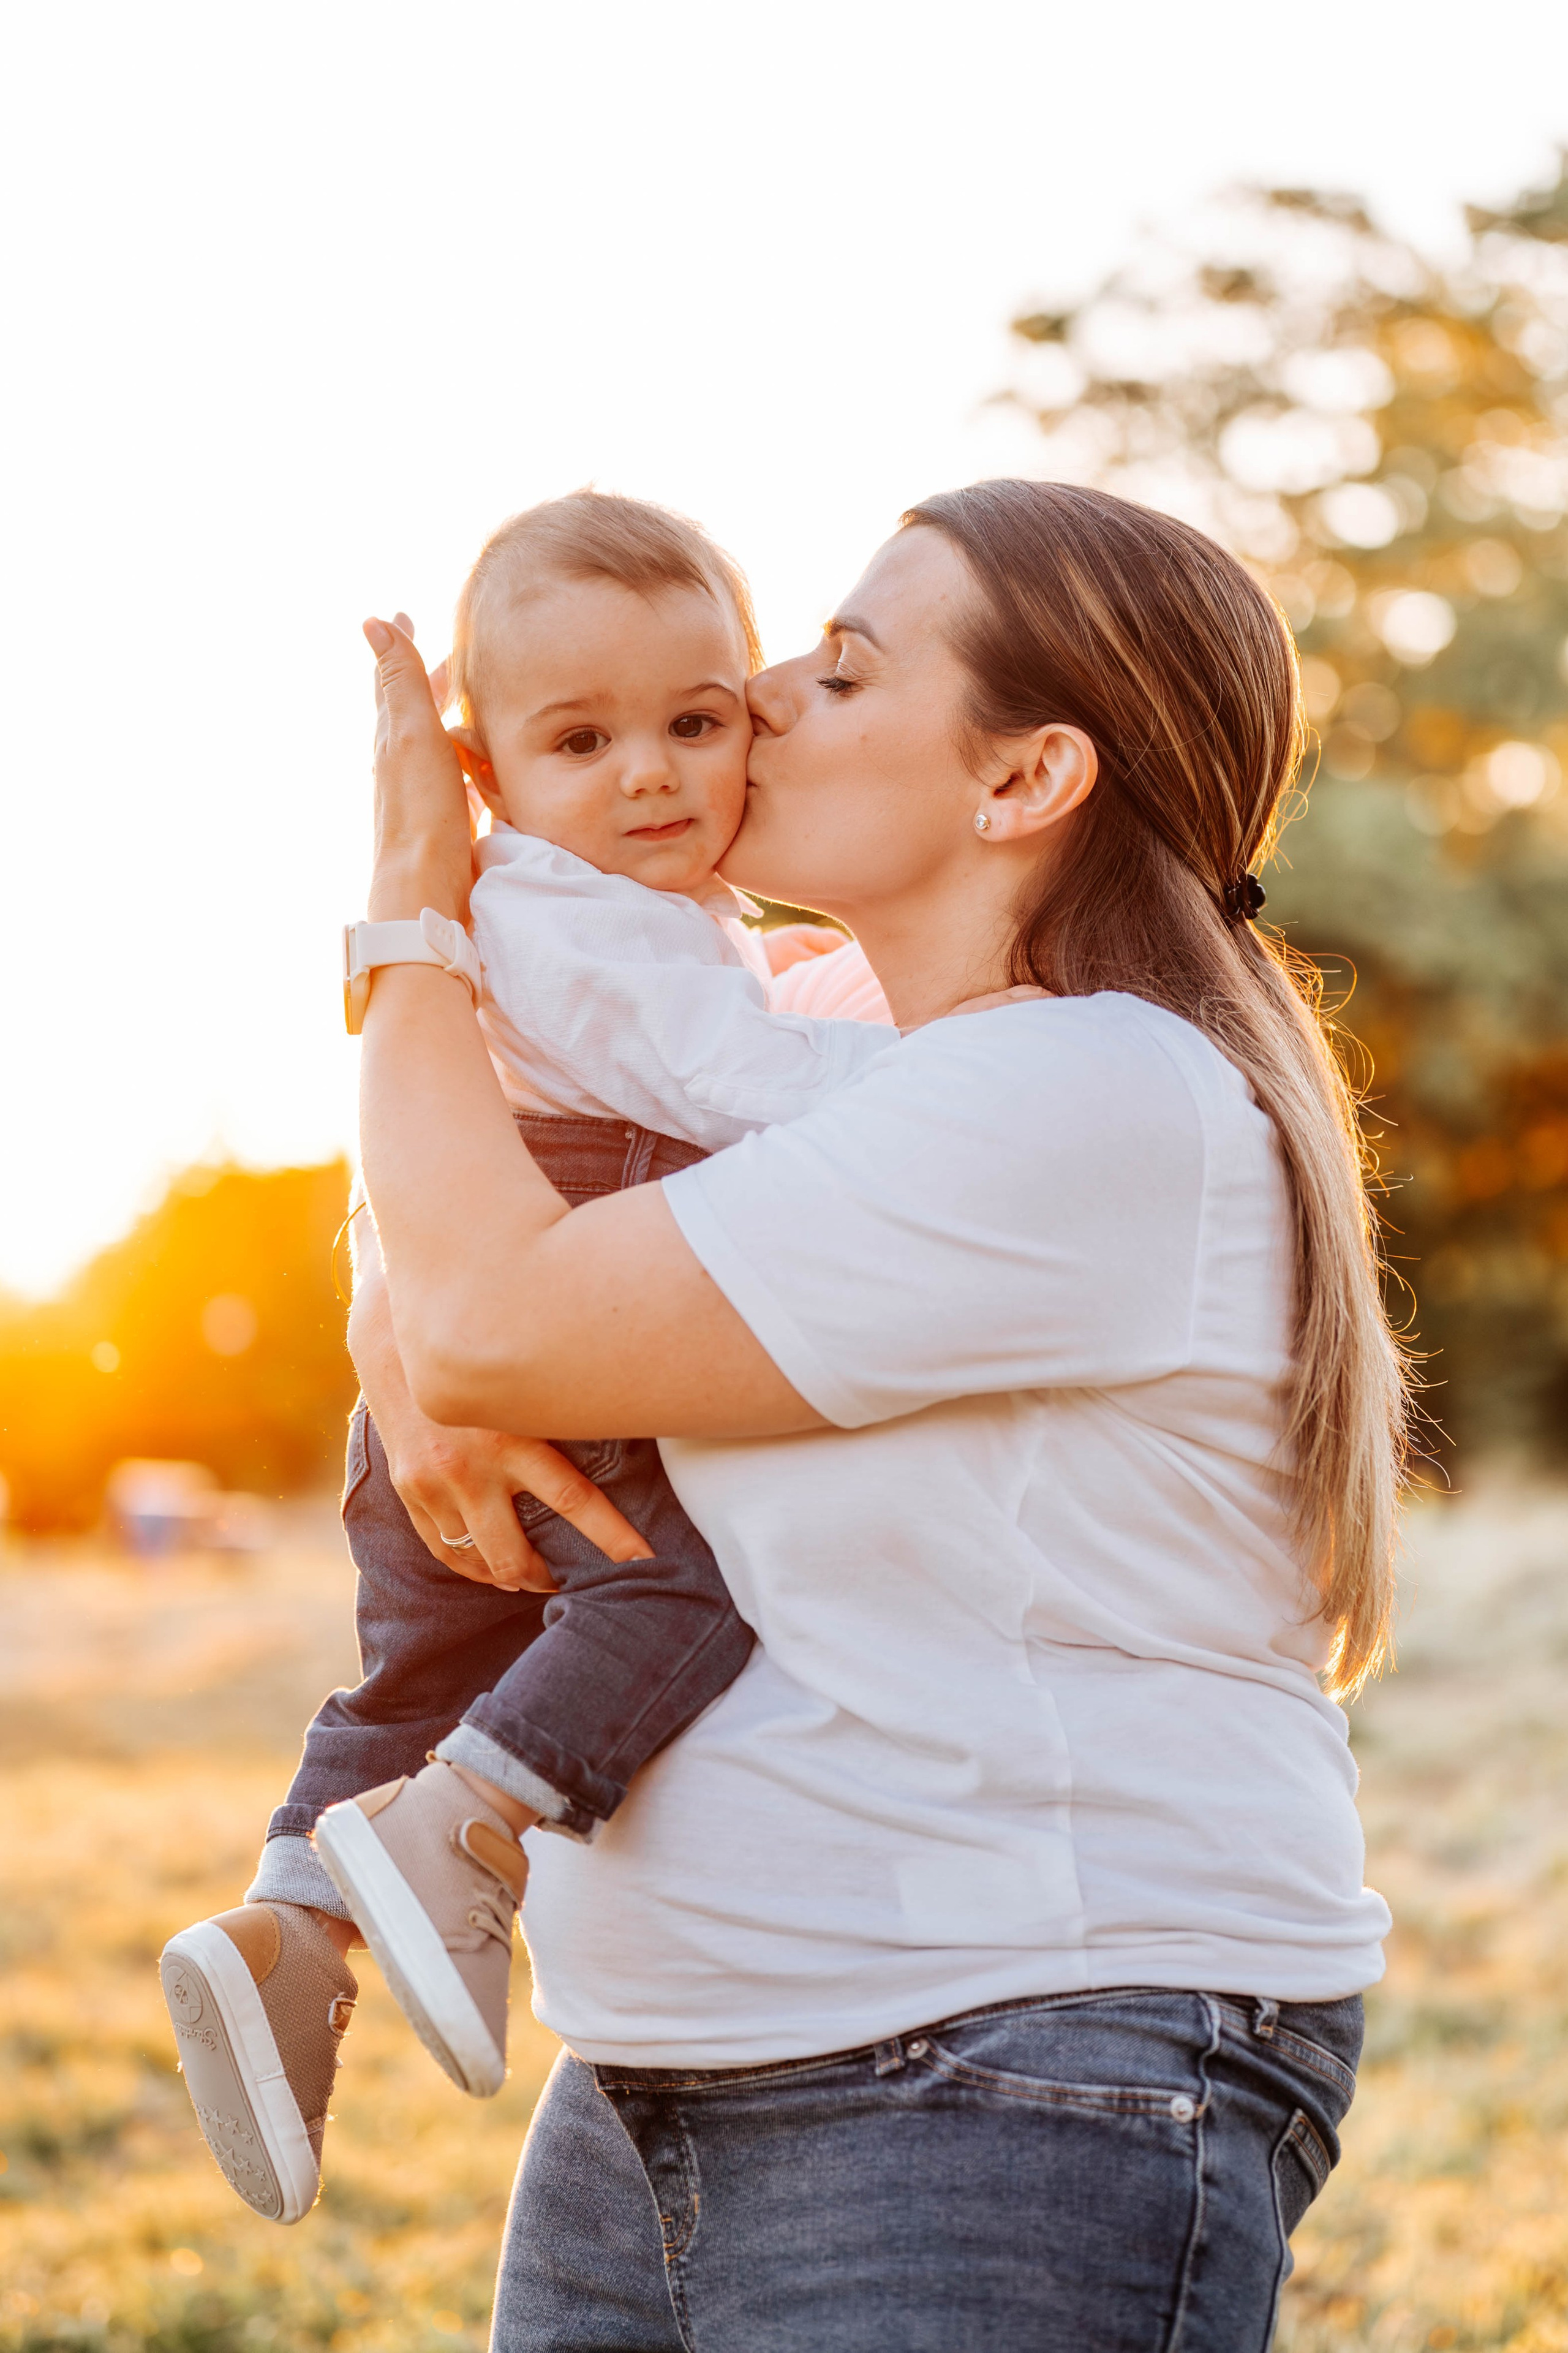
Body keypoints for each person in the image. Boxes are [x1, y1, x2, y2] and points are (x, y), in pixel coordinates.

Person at [353, 477, 1409, 2351]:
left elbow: (498, 1320)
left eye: (841, 672)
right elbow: (466, 1208)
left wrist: (412, 911)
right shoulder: (829, 1028)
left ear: (1022, 783)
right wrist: (392, 1327)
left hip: (1004, 2063)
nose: (755, 698)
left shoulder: (1077, 1092)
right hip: (669, 2063)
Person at [157, 493, 893, 2227]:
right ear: (484, 768)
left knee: (417, 1664)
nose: (651, 775)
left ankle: (286, 1928)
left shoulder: (588, 913)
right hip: (532, 1344)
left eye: (693, 724)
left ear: (748, 716)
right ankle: (472, 1824)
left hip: (424, 1366)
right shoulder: (596, 922)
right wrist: (949, 1086)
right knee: (682, 1591)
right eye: (583, 738)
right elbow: (747, 1089)